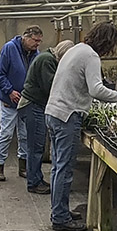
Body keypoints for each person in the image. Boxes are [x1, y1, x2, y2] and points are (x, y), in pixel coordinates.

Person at [45, 23, 117, 231]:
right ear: (107, 42)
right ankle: (60, 219)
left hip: (53, 112)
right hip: (67, 116)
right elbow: (96, 89)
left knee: (58, 167)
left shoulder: (75, 49)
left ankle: (60, 211)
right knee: (64, 169)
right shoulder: (91, 56)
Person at [18, 39, 74, 194]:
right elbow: (51, 87)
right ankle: (33, 183)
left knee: (37, 146)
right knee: (35, 147)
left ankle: (36, 179)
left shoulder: (47, 58)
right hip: (32, 105)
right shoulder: (47, 61)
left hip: (35, 105)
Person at [0, 25, 43, 181]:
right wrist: (10, 91)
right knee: (6, 133)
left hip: (26, 101)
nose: (37, 44)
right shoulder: (9, 49)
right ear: (26, 37)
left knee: (25, 135)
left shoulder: (36, 54)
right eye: (35, 41)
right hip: (10, 100)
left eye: (40, 41)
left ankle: (23, 167)